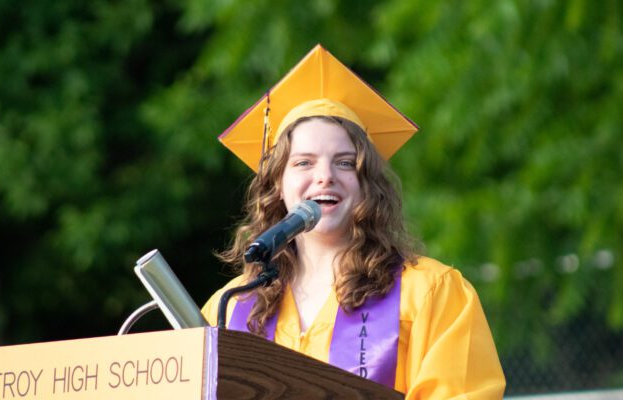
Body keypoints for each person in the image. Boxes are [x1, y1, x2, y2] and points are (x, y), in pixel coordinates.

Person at [201, 45, 506, 399]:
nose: (325, 177)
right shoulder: (230, 307)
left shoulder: (431, 293)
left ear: (367, 185)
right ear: (276, 185)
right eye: (303, 163)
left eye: (345, 163)